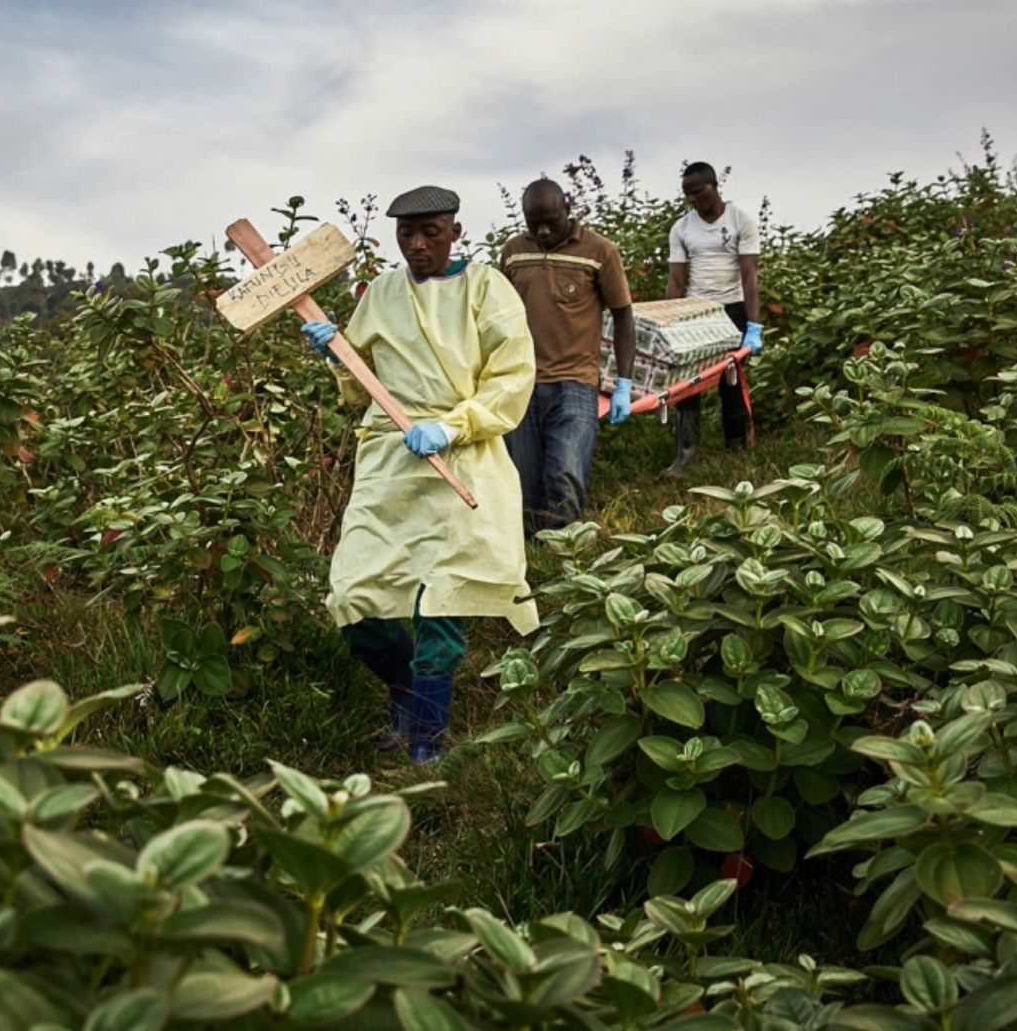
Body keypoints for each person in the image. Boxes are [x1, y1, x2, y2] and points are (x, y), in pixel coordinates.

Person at [299, 185, 538, 764]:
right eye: (406, 233)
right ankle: (403, 689)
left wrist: (455, 426)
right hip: (390, 456)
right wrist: (338, 355)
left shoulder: (486, 288)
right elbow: (360, 383)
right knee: (354, 596)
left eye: (430, 231)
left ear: (455, 230)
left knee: (439, 600)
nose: (418, 244)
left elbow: (511, 377)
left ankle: (428, 733)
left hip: (462, 452)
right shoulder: (382, 291)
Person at [497, 178, 636, 538]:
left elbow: (623, 314)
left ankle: (566, 553)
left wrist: (623, 381)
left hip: (575, 380)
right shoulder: (513, 252)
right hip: (521, 381)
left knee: (564, 473)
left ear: (568, 208)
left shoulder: (599, 251)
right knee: (523, 483)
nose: (542, 231)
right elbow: (496, 314)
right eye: (533, 223)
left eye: (551, 222)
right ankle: (531, 558)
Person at [662, 160, 766, 476]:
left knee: (729, 382)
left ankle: (736, 451)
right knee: (686, 384)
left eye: (698, 192)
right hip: (696, 311)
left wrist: (754, 325)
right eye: (687, 194)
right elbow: (676, 280)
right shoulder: (681, 228)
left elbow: (749, 276)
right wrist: (669, 321)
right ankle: (685, 456)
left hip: (732, 308)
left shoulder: (741, 220)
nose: (693, 199)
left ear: (714, 186)